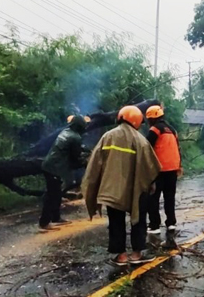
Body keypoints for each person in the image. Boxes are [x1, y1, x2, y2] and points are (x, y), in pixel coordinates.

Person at [83, 106, 160, 266]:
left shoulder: (107, 137)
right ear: (137, 121)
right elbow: (151, 167)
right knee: (138, 219)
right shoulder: (141, 140)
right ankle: (137, 254)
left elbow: (94, 164)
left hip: (112, 191)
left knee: (116, 221)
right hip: (135, 191)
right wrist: (151, 185)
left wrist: (94, 186)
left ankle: (121, 256)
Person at [39, 114, 89, 230]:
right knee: (52, 195)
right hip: (54, 168)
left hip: (49, 165)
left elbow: (70, 148)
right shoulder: (75, 137)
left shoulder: (66, 131)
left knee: (56, 194)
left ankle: (56, 218)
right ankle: (44, 223)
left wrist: (83, 150)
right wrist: (86, 162)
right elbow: (76, 157)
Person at [144, 105, 182, 235]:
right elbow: (178, 149)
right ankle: (171, 223)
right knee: (169, 197)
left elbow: (146, 147)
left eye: (149, 119)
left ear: (152, 119)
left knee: (152, 198)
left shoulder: (155, 130)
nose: (148, 122)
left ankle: (154, 225)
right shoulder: (172, 130)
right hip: (173, 169)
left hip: (158, 170)